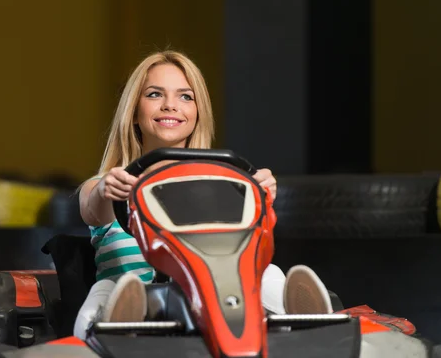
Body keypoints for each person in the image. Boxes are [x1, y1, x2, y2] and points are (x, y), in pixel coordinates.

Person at [73, 50, 333, 340]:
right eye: (155, 94)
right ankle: (117, 327)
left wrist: (258, 194)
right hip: (134, 297)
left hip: (200, 298)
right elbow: (92, 207)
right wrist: (107, 190)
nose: (170, 106)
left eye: (185, 97)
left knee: (268, 274)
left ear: (197, 114)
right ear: (134, 111)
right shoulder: (110, 184)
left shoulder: (217, 185)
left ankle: (304, 322)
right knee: (105, 291)